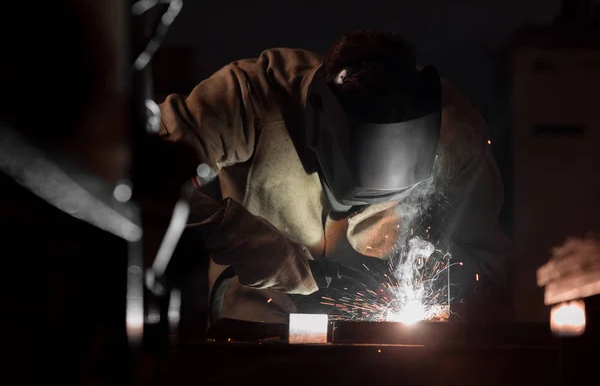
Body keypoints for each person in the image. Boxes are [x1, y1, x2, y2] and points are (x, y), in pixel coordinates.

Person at [158, 29, 512, 323]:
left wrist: (441, 280)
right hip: (255, 332)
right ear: (317, 123)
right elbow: (143, 176)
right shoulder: (251, 96)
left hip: (380, 352)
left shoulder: (457, 138)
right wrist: (245, 240)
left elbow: (486, 267)